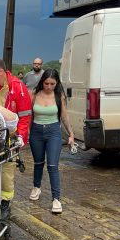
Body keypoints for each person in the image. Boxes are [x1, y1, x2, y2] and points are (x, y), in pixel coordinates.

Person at [0, 57, 32, 223]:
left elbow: (24, 116)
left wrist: (21, 137)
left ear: (1, 71)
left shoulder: (18, 88)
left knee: (7, 172)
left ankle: (5, 202)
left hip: (10, 137)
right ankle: (0, 194)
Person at [28, 69, 75, 214]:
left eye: (52, 84)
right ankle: (37, 187)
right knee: (38, 162)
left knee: (52, 165)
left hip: (54, 132)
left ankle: (56, 199)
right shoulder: (34, 95)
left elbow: (64, 116)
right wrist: (26, 133)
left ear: (57, 83)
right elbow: (29, 116)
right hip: (36, 131)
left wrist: (71, 134)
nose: (49, 86)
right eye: (46, 83)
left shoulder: (58, 95)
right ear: (42, 82)